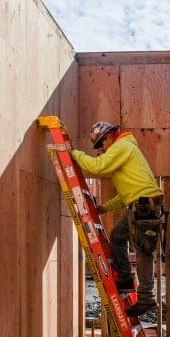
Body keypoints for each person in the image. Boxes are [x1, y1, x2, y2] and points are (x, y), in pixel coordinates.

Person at [70, 121, 163, 317]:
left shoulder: (122, 146)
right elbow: (123, 195)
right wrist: (104, 208)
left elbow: (97, 167)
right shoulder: (123, 150)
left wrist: (74, 154)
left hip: (144, 206)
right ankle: (126, 277)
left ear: (110, 136)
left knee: (143, 251)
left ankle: (146, 298)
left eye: (100, 144)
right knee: (117, 237)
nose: (100, 149)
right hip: (138, 205)